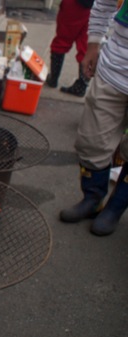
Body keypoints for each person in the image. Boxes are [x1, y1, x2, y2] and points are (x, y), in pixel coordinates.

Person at [59, 0, 128, 235]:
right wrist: (93, 44)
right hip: (113, 70)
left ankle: (114, 210)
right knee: (91, 141)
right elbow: (105, 3)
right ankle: (93, 199)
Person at [46, 0, 94, 97]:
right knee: (86, 46)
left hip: (75, 4)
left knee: (62, 40)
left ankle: (53, 79)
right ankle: (81, 86)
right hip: (98, 8)